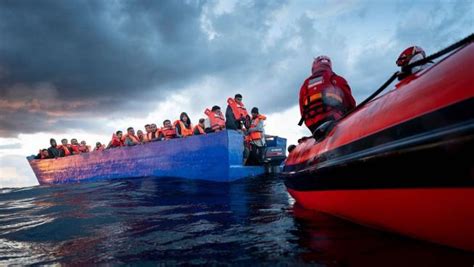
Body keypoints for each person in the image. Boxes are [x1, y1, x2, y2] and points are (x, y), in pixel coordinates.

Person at [299, 55, 356, 134]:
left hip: (313, 125)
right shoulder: (337, 79)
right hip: (334, 119)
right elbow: (350, 102)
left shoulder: (305, 84)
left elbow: (302, 110)